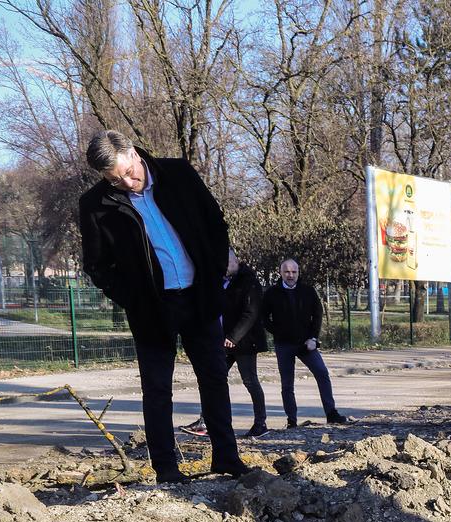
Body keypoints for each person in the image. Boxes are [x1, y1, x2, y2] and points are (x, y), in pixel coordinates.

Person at [78, 130, 248, 483]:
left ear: (134, 154)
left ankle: (227, 458)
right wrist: (133, 298)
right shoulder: (95, 204)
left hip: (200, 296)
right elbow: (96, 265)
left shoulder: (179, 174)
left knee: (214, 378)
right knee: (157, 389)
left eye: (129, 173)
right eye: (114, 179)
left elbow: (216, 222)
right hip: (152, 309)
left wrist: (215, 274)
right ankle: (166, 469)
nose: (126, 182)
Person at [181, 249, 268, 440]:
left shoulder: (249, 282)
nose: (224, 267)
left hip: (245, 342)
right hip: (222, 341)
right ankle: (206, 422)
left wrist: (234, 337)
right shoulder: (221, 282)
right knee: (214, 380)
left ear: (236, 261)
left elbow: (250, 313)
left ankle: (261, 423)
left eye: (227, 262)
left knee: (250, 381)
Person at [262, 258, 349, 428]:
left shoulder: (307, 291)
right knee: (287, 384)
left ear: (298, 272)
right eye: (287, 272)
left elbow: (317, 315)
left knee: (322, 373)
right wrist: (278, 332)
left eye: (294, 272)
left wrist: (313, 338)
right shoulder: (272, 293)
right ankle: (291, 420)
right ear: (281, 273)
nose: (290, 275)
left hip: (306, 343)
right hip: (284, 345)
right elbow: (264, 318)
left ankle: (331, 413)